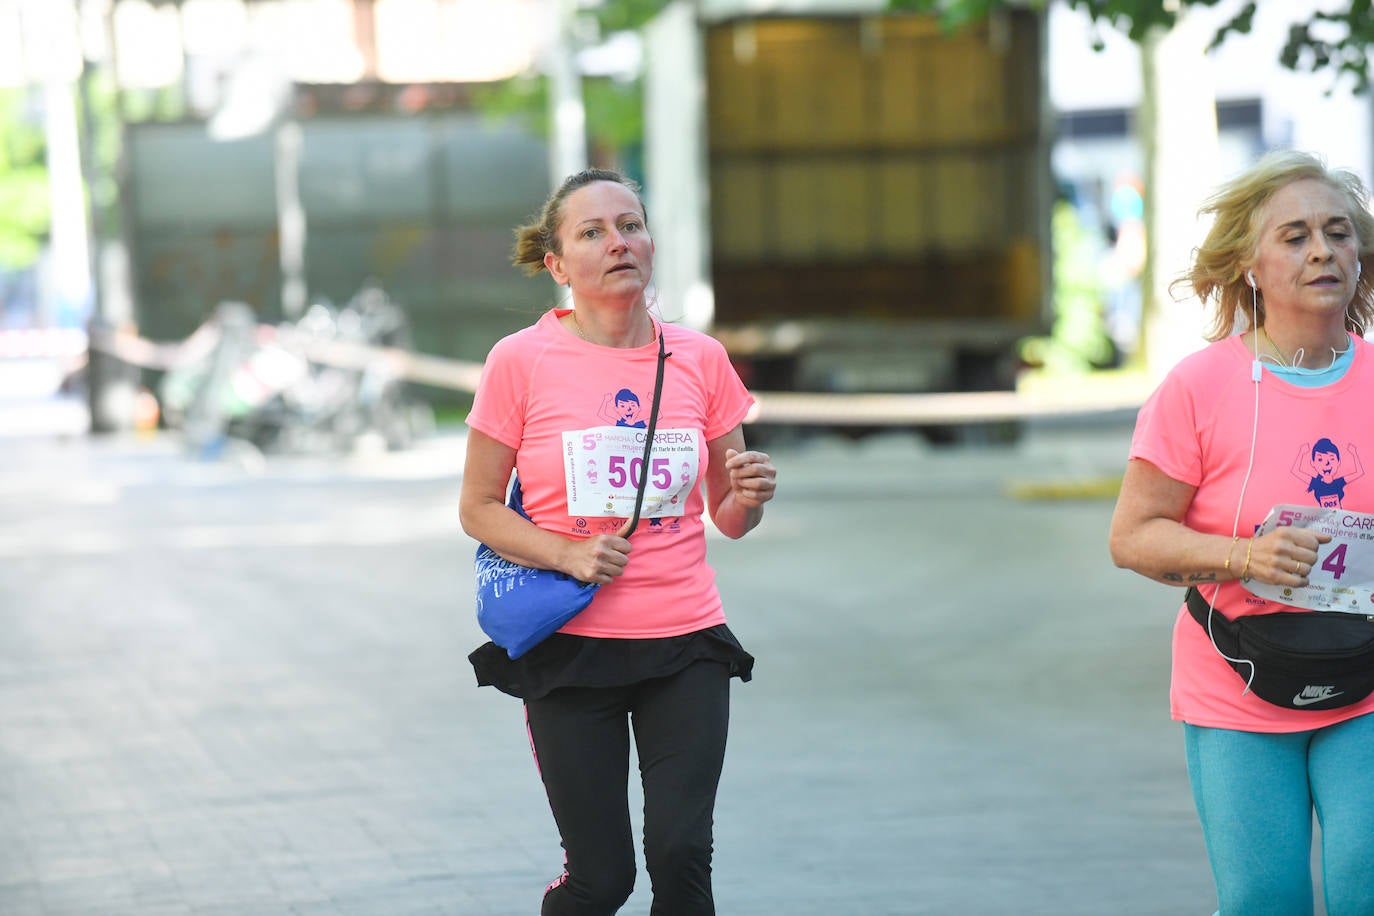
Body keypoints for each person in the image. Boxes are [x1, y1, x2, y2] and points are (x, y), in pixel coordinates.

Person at [459, 167, 777, 916]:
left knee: (681, 853)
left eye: (629, 225)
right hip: (571, 646)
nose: (617, 242)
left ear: (651, 243)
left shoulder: (699, 359)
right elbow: (476, 508)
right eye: (593, 232)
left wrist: (749, 496)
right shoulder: (520, 361)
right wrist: (567, 552)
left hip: (685, 638)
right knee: (603, 880)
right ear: (559, 264)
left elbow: (725, 515)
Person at [1109, 149, 1374, 915]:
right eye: (1294, 236)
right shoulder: (1200, 387)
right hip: (1240, 678)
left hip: (1367, 682)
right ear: (1251, 266)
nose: (1323, 250)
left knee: (1366, 887)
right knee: (1267, 897)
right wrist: (1242, 555)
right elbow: (1133, 536)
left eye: (1338, 232)